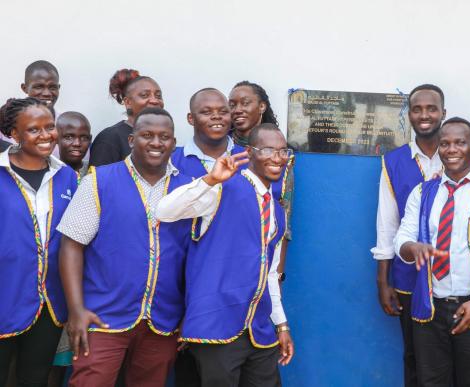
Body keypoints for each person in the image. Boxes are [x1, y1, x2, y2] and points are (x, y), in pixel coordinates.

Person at [57, 107, 192, 387]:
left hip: (162, 319)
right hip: (103, 315)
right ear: (132, 140)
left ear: (174, 143)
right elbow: (71, 245)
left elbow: (196, 256)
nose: (156, 143)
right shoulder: (99, 180)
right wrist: (76, 310)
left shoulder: (187, 188)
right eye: (147, 135)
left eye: (164, 137)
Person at [156, 123, 294, 386]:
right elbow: (164, 211)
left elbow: (270, 275)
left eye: (282, 151)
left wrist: (282, 324)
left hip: (259, 329)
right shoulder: (222, 188)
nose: (277, 158)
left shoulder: (276, 211)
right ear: (249, 153)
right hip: (216, 325)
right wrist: (210, 180)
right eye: (267, 150)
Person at [394, 118, 470, 386]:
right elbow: (402, 237)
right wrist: (412, 248)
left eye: (460, 143)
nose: (452, 149)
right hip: (431, 311)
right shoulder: (423, 192)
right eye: (445, 143)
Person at [0, 97, 78, 386]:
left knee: (34, 377)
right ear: (14, 135)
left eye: (50, 127)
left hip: (49, 302)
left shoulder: (67, 176)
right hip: (5, 293)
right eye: (34, 130)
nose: (46, 136)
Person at [372, 84, 445, 386]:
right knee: (414, 356)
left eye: (431, 108)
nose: (424, 115)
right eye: (417, 109)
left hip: (456, 276)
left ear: (444, 113)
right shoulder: (394, 161)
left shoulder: (466, 151)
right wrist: (383, 280)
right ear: (409, 115)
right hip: (408, 277)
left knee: (453, 355)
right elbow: (386, 224)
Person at [229, 81, 293, 283]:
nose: (238, 110)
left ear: (262, 107)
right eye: (232, 104)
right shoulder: (221, 150)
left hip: (263, 262)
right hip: (225, 255)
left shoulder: (282, 157)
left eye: (245, 103)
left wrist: (277, 277)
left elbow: (285, 219)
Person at [89, 68, 163, 167]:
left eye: (158, 96)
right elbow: (98, 180)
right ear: (128, 102)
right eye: (145, 95)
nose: (155, 100)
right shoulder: (110, 138)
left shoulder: (164, 136)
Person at [171, 88, 244, 177]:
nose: (216, 116)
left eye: (223, 112)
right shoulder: (171, 161)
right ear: (191, 119)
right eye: (206, 112)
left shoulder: (248, 158)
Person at [56, 112, 92, 178]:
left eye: (84, 138)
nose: (77, 143)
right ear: (56, 138)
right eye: (69, 137)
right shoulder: (49, 173)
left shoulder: (94, 172)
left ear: (90, 140)